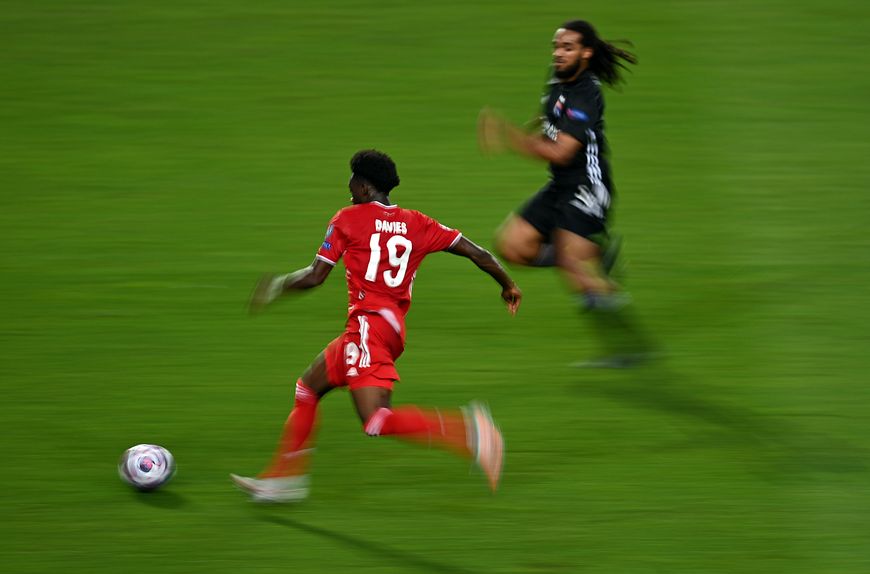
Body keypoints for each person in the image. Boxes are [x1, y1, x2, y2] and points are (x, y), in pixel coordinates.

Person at [231, 149, 522, 502]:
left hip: (369, 329)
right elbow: (477, 253)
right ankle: (284, 479)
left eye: (353, 180)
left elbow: (314, 276)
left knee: (375, 420)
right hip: (384, 329)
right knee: (307, 390)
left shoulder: (347, 219)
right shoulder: (418, 223)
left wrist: (276, 286)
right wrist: (507, 284)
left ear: (366, 187)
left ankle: (470, 431)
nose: (349, 186)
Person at [478, 19, 651, 367]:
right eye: (556, 46)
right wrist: (535, 126)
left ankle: (627, 350)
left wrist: (510, 137)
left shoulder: (586, 93)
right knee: (512, 246)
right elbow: (550, 114)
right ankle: (597, 256)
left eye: (568, 47)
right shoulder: (559, 77)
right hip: (560, 187)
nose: (558, 53)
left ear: (586, 53)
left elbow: (560, 152)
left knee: (574, 266)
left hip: (589, 187)